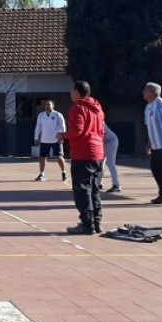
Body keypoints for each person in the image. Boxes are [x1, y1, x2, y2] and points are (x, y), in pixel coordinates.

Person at [64, 81, 105, 235]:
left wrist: (63, 135)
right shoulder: (97, 108)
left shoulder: (77, 108)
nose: (70, 93)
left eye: (72, 90)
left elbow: (77, 131)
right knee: (94, 189)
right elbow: (101, 130)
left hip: (83, 153)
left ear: (76, 91)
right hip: (97, 152)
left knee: (82, 190)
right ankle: (96, 222)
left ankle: (87, 224)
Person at [34, 99, 67, 182]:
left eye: (49, 104)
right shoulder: (41, 115)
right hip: (44, 140)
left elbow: (62, 126)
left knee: (59, 156)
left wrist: (61, 135)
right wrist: (36, 138)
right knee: (42, 157)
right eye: (46, 105)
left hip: (55, 140)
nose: (47, 106)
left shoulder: (57, 114)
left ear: (53, 105)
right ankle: (42, 174)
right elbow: (38, 126)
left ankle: (63, 172)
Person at [102, 123, 120, 192]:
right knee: (100, 163)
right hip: (104, 141)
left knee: (110, 163)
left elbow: (101, 135)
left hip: (111, 141)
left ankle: (116, 185)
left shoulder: (97, 118)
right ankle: (99, 183)